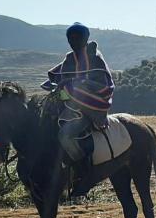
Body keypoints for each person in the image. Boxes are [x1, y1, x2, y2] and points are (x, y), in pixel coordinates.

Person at [42, 23, 115, 165]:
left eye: (77, 38)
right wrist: (59, 86)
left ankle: (82, 167)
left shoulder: (95, 58)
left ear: (85, 38)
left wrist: (77, 83)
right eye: (70, 38)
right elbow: (60, 78)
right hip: (67, 106)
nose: (73, 42)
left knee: (65, 136)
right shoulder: (69, 59)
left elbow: (103, 86)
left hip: (89, 107)